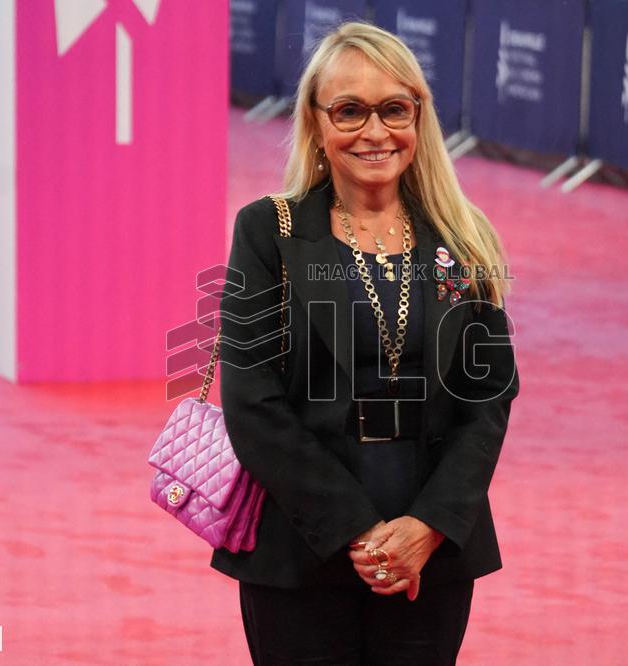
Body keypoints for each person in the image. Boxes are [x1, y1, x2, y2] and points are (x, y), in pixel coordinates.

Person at [213, 21, 520, 665]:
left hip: (431, 552)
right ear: (316, 121)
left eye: (393, 109)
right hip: (299, 547)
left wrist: (427, 529)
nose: (374, 132)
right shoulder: (270, 230)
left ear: (418, 117)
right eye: (349, 110)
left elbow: (488, 401)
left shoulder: (464, 238)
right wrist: (358, 532)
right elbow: (252, 405)